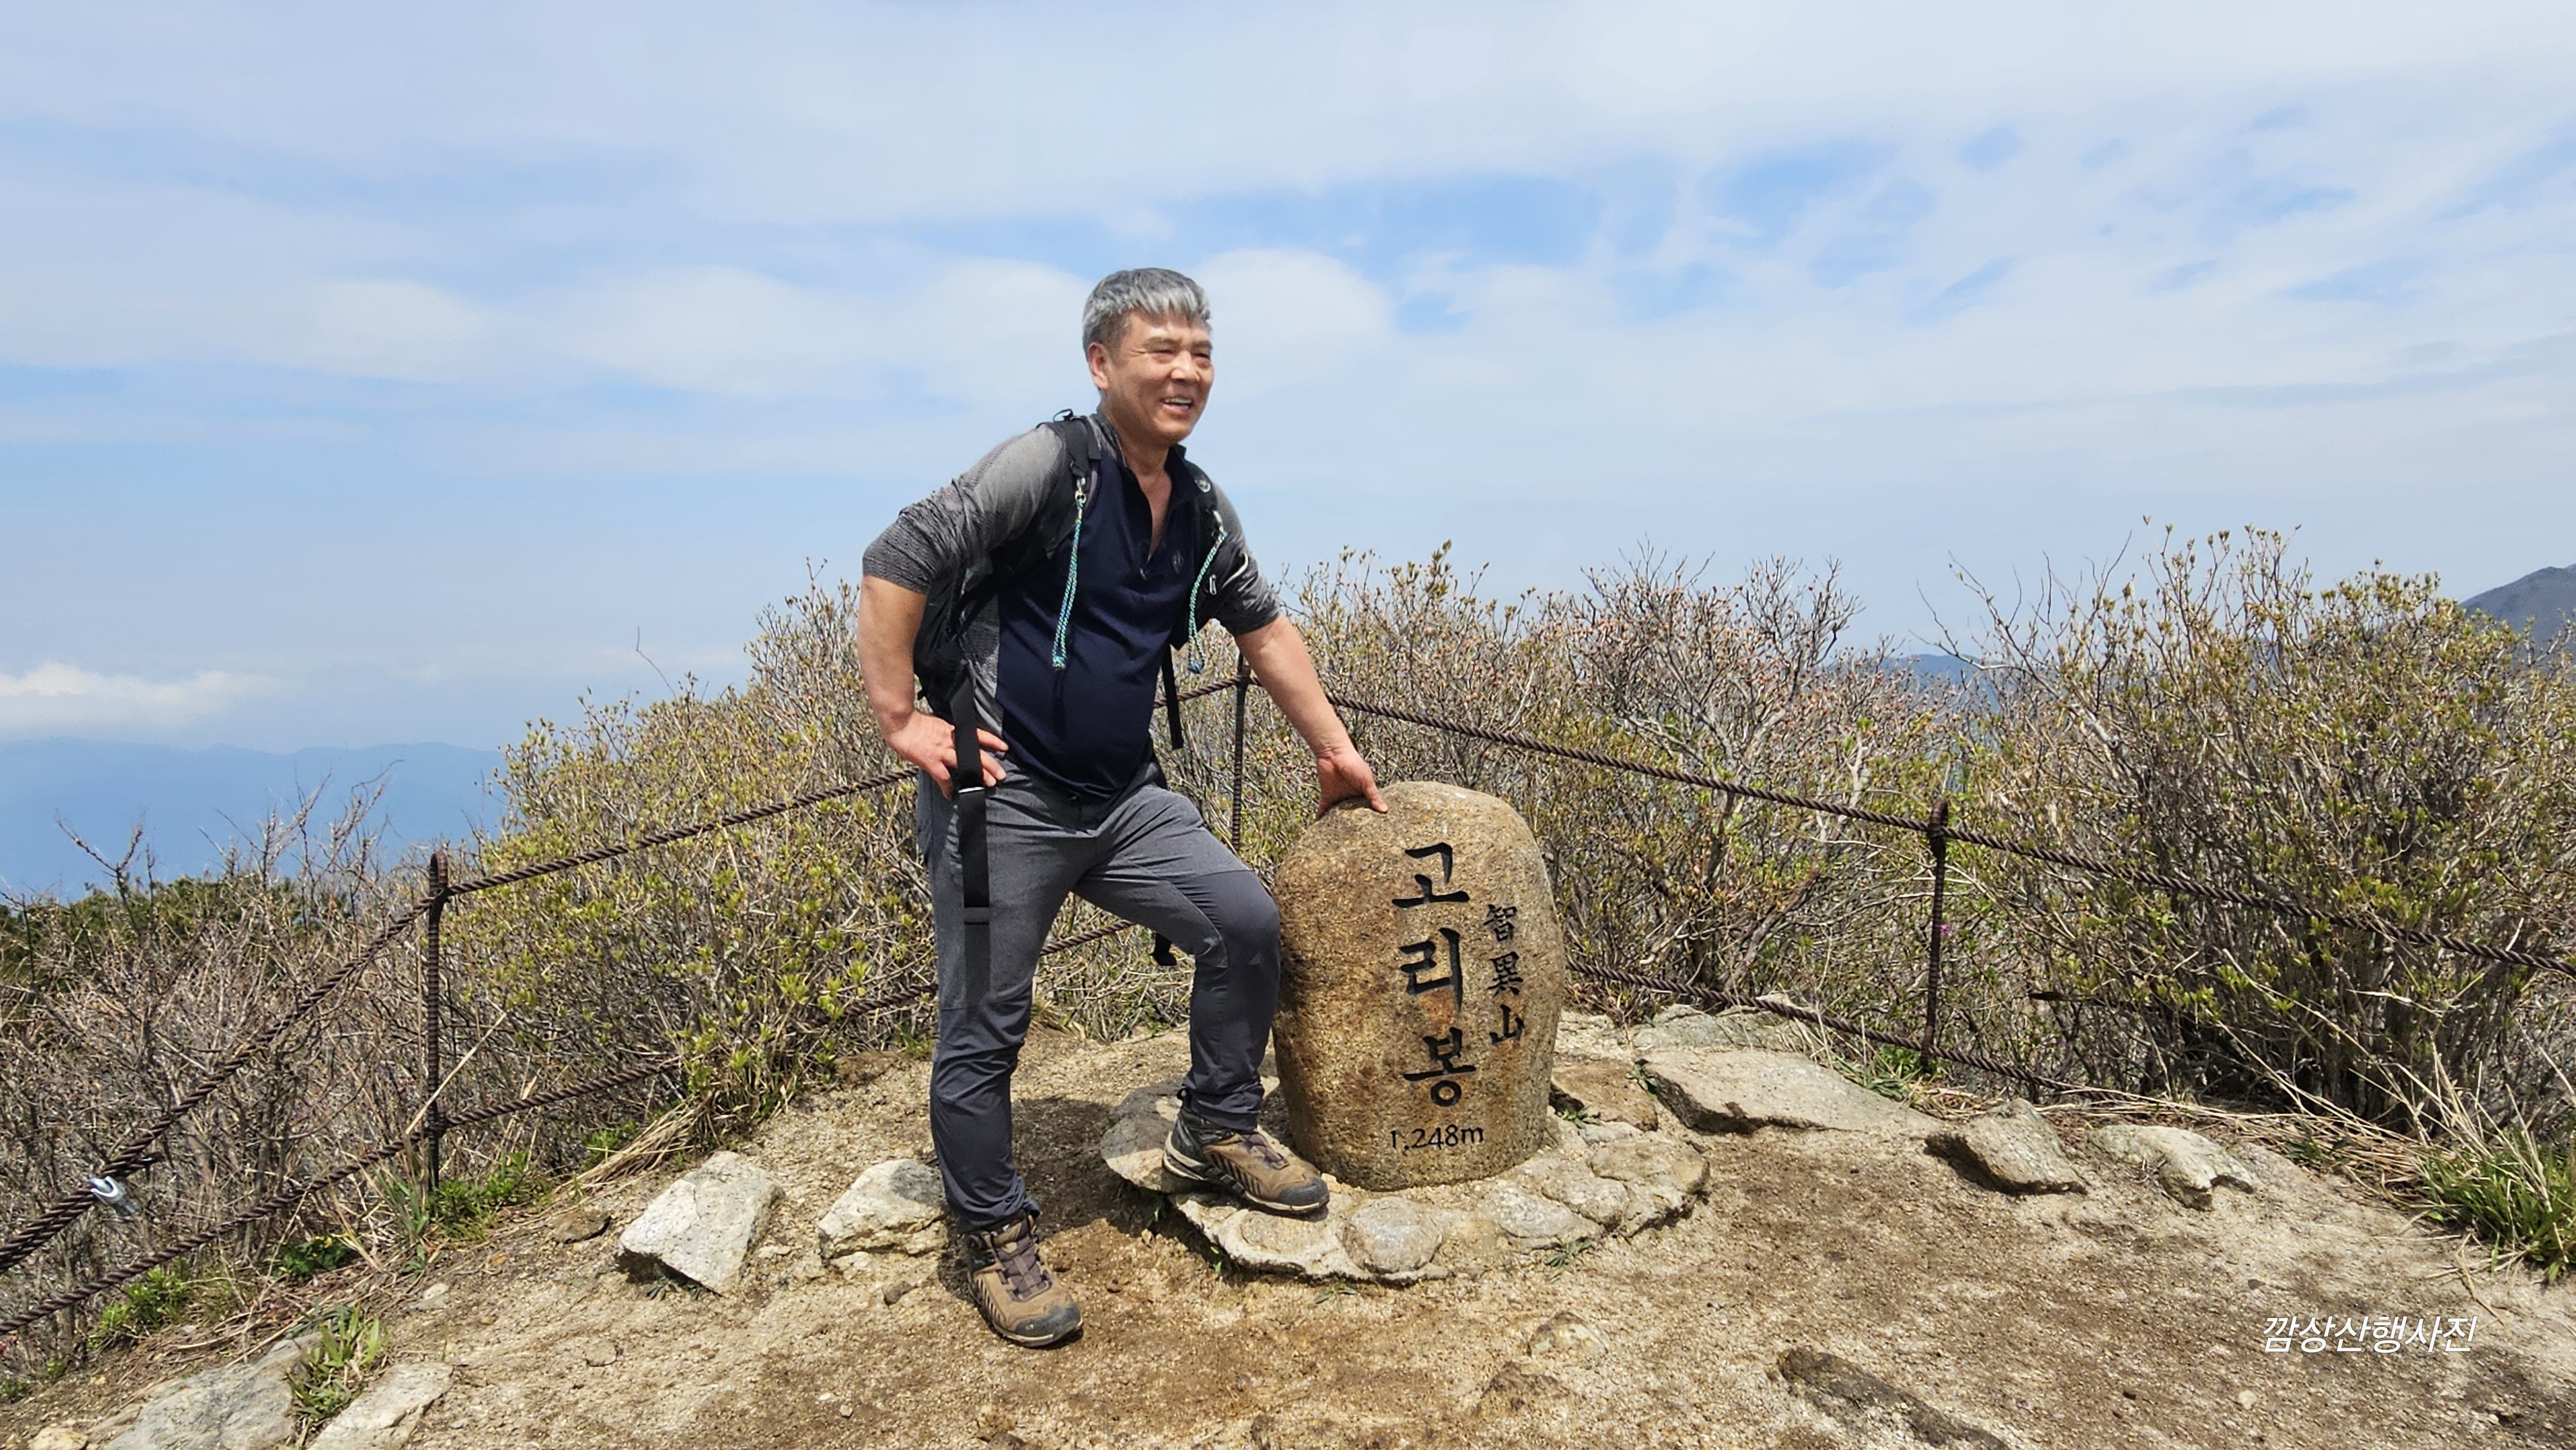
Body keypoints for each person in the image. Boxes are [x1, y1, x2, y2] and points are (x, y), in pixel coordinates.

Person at [856, 267, 1387, 1348]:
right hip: (1003, 799)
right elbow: (897, 555)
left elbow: (1264, 628)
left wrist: (1333, 749)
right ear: (1102, 363)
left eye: (1202, 354)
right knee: (985, 1025)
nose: (1186, 372)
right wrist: (901, 718)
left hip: (1121, 793)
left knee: (1244, 921)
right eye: (1162, 352)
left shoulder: (1196, 505)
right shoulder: (1048, 467)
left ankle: (1218, 1125)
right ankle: (992, 1231)